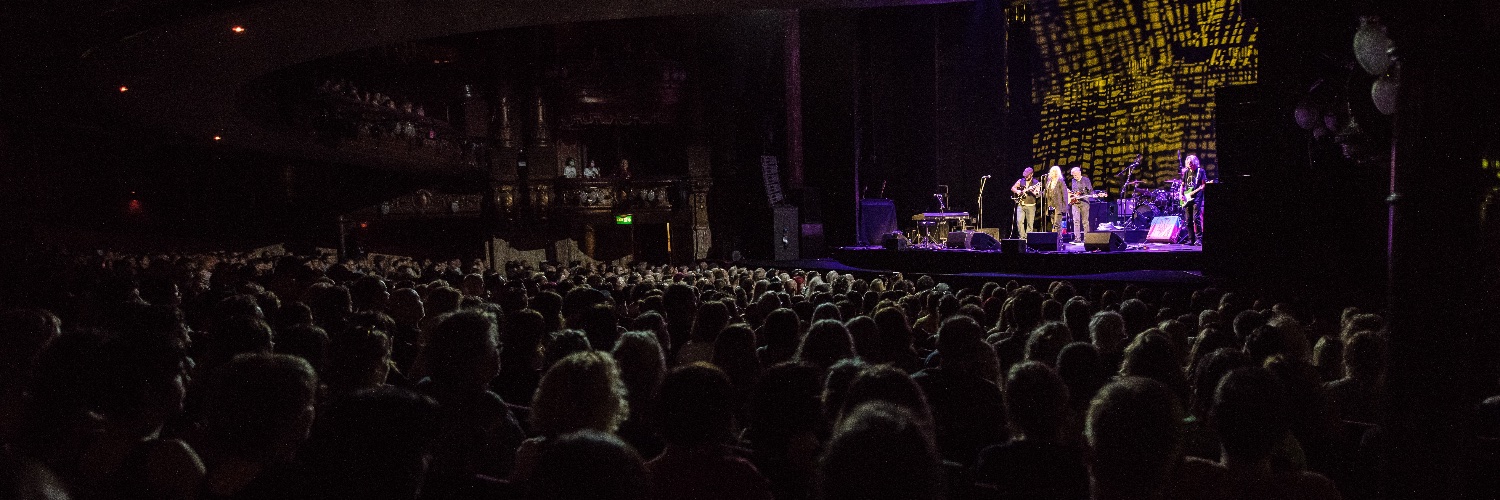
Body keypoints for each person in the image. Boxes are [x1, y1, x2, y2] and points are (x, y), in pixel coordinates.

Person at [1179, 154, 1207, 245]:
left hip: (1197, 198)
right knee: (1188, 220)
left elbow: (1203, 184)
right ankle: (1191, 239)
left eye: (1191, 163)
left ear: (1195, 162)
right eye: (1188, 163)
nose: (1189, 164)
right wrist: (1180, 194)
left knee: (1196, 218)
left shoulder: (1200, 171)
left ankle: (1199, 239)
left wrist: (1201, 188)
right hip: (1188, 198)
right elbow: (1182, 185)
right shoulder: (1186, 172)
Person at [1010, 167, 1041, 238]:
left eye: (1027, 176)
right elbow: (1013, 188)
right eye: (1025, 176)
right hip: (1021, 204)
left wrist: (1031, 191)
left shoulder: (1036, 183)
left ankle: (1028, 239)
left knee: (1030, 224)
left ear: (1031, 174)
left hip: (1031, 205)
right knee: (1019, 221)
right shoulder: (1021, 180)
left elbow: (1038, 195)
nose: (1026, 177)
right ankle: (1022, 238)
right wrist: (1017, 191)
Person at [1067, 166, 1095, 243]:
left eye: (1076, 175)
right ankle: (1077, 238)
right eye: (1073, 175)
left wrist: (1086, 194)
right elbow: (1074, 191)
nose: (1075, 177)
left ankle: (1087, 239)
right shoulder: (1073, 181)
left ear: (1080, 173)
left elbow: (1090, 191)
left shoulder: (1086, 180)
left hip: (1084, 202)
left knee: (1085, 221)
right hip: (1075, 203)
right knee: (1076, 220)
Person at [1042, 166, 1068, 233]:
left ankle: (1059, 240)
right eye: (1053, 171)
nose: (1054, 173)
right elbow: (1045, 194)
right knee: (1053, 223)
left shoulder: (1060, 181)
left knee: (1057, 223)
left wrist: (1064, 207)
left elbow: (1065, 195)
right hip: (1051, 206)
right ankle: (1055, 239)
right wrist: (1038, 193)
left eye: (1055, 171)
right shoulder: (1048, 182)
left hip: (1058, 206)